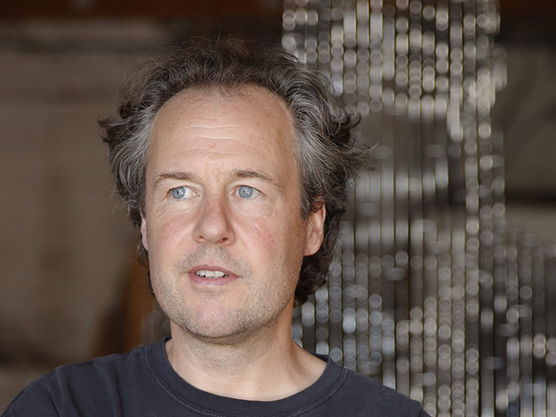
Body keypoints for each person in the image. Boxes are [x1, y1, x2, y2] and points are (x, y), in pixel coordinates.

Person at [2, 38, 429, 417]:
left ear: (312, 225)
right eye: (180, 191)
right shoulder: (64, 407)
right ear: (146, 224)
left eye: (246, 191)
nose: (211, 227)